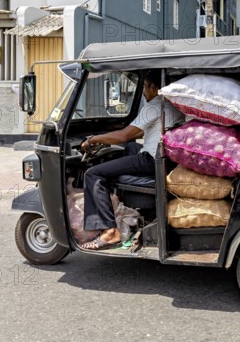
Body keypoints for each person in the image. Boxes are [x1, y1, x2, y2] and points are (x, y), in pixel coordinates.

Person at [79, 70, 184, 250]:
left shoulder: (153, 105)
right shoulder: (173, 105)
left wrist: (93, 140)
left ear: (153, 87)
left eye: (144, 86)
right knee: (129, 148)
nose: (144, 91)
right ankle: (121, 200)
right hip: (165, 159)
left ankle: (110, 231)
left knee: (93, 174)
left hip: (150, 160)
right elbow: (142, 131)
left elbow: (123, 136)